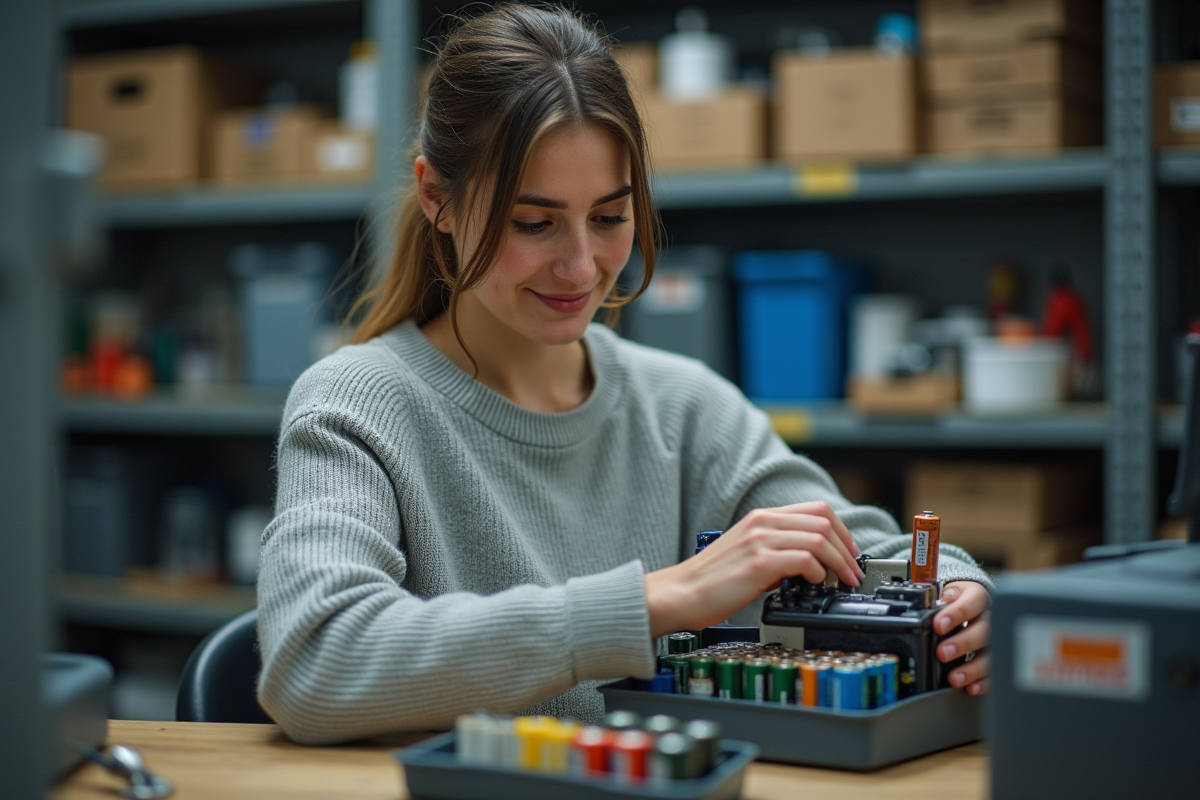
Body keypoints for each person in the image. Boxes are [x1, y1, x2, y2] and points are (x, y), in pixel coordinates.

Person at [256, 3, 992, 746]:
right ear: (436, 198)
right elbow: (313, 663)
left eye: (610, 217)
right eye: (534, 222)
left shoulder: (686, 406)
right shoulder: (355, 404)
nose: (582, 267)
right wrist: (654, 602)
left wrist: (966, 596)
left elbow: (875, 557)